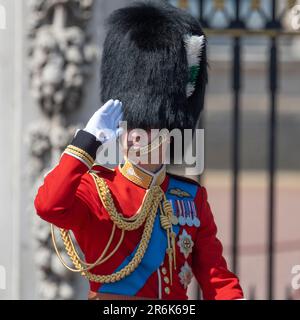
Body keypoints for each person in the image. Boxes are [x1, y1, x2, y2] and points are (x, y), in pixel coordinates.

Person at [34, 1, 244, 300]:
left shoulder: (191, 199)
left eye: (147, 127)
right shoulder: (97, 190)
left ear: (170, 133)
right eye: (129, 125)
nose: (134, 135)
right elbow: (48, 205)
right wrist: (86, 142)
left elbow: (216, 279)